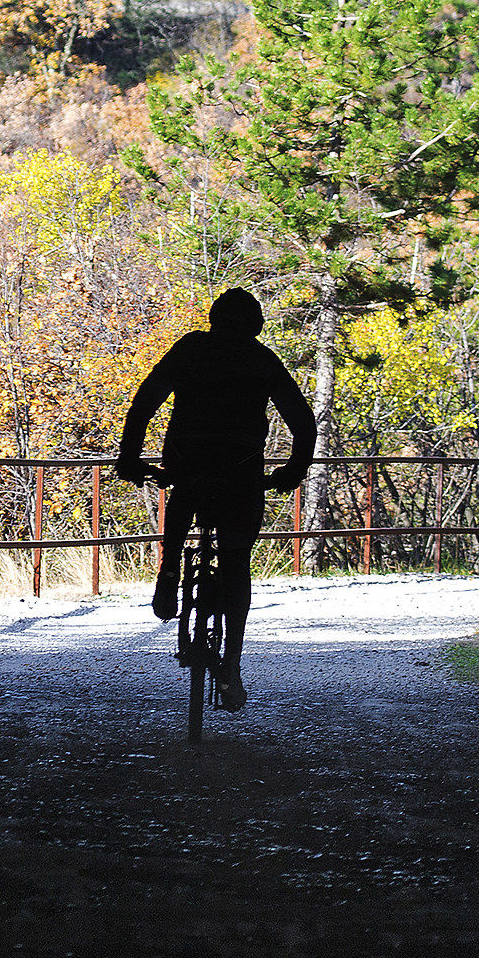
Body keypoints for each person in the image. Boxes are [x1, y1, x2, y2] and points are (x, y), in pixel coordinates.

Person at [115, 288, 316, 711]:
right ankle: (232, 667)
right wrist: (292, 471)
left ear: (212, 318)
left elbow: (145, 401)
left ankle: (169, 571)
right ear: (256, 325)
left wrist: (130, 457)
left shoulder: (190, 349)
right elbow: (302, 421)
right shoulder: (261, 360)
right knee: (236, 563)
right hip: (240, 469)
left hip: (189, 458)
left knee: (184, 492)